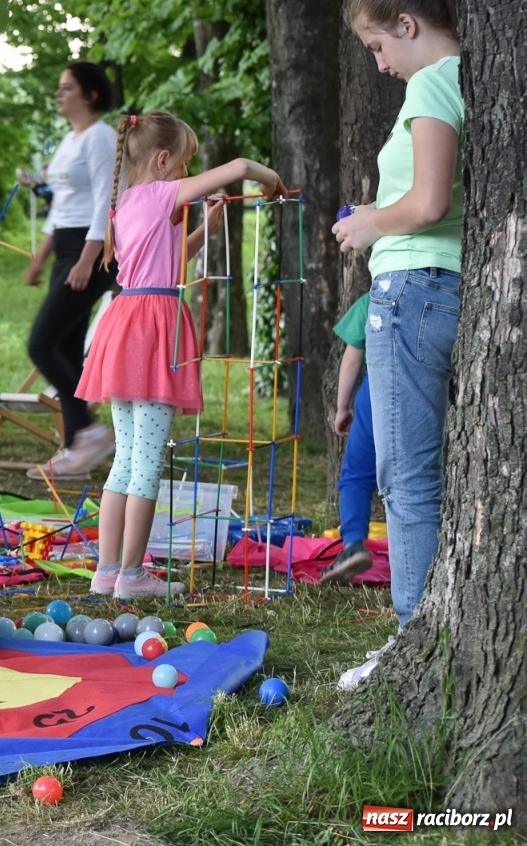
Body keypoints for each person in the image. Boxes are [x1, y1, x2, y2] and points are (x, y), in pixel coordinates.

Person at [76, 111, 283, 600]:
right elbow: (235, 168)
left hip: (126, 320)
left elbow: (166, 263)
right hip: (152, 328)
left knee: (126, 459)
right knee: (146, 462)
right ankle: (132, 576)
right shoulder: (162, 193)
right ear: (164, 161)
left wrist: (207, 228)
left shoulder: (128, 201)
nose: (190, 175)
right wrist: (267, 176)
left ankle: (108, 569)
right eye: (187, 164)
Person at [331, 0, 463, 689]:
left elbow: (430, 202)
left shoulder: (432, 82)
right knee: (416, 473)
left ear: (408, 26)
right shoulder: (465, 77)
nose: (380, 64)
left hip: (413, 291)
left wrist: (367, 226)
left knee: (407, 479)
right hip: (434, 288)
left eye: (379, 46)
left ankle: (412, 643)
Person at [21, 62, 120, 480]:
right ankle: (74, 446)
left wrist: (86, 259)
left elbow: (106, 203)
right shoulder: (68, 140)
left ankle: (90, 433)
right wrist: (41, 258)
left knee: (41, 344)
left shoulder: (101, 138)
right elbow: (58, 208)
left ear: (91, 95)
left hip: (89, 251)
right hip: (65, 247)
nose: (59, 94)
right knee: (64, 346)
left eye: (67, 88)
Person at [321, 291, 378, 585]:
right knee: (419, 480)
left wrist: (343, 407)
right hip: (429, 387)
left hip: (378, 388)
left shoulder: (372, 300)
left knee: (356, 476)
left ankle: (354, 543)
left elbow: (352, 361)